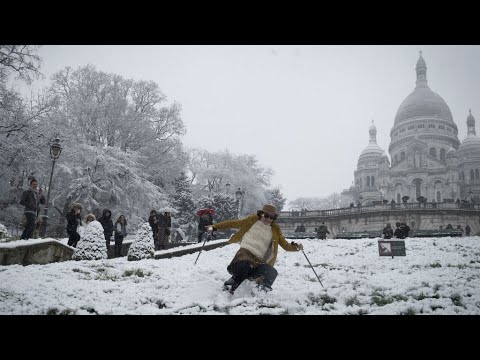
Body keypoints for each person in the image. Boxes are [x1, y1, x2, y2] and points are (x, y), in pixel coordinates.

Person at [209, 204, 303, 295]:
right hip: (244, 254)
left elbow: (286, 245)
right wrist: (215, 227)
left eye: (272, 217)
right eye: (266, 216)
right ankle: (229, 287)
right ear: (261, 214)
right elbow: (233, 223)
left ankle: (261, 293)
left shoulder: (275, 230)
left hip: (258, 261)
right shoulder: (251, 220)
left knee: (272, 272)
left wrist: (296, 247)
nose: (268, 219)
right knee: (244, 267)